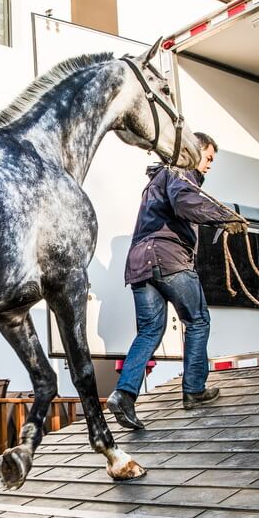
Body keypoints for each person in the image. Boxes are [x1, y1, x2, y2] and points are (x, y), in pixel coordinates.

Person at [107, 132, 246, 430]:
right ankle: (194, 390)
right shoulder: (180, 171)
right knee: (197, 320)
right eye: (208, 158)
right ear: (194, 151)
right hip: (169, 258)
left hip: (139, 264)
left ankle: (124, 394)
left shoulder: (158, 179)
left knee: (149, 332)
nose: (209, 165)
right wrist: (224, 217)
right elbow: (185, 203)